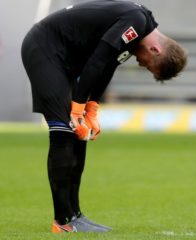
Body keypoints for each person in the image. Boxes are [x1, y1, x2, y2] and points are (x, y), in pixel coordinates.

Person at [21, 0, 187, 233]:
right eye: (149, 65)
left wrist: (92, 108)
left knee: (80, 135)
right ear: (155, 50)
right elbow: (97, 61)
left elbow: (107, 66)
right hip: (45, 47)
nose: (141, 65)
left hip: (64, 57)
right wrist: (78, 108)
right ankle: (64, 221)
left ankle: (75, 215)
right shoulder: (136, 22)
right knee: (63, 131)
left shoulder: (138, 31)